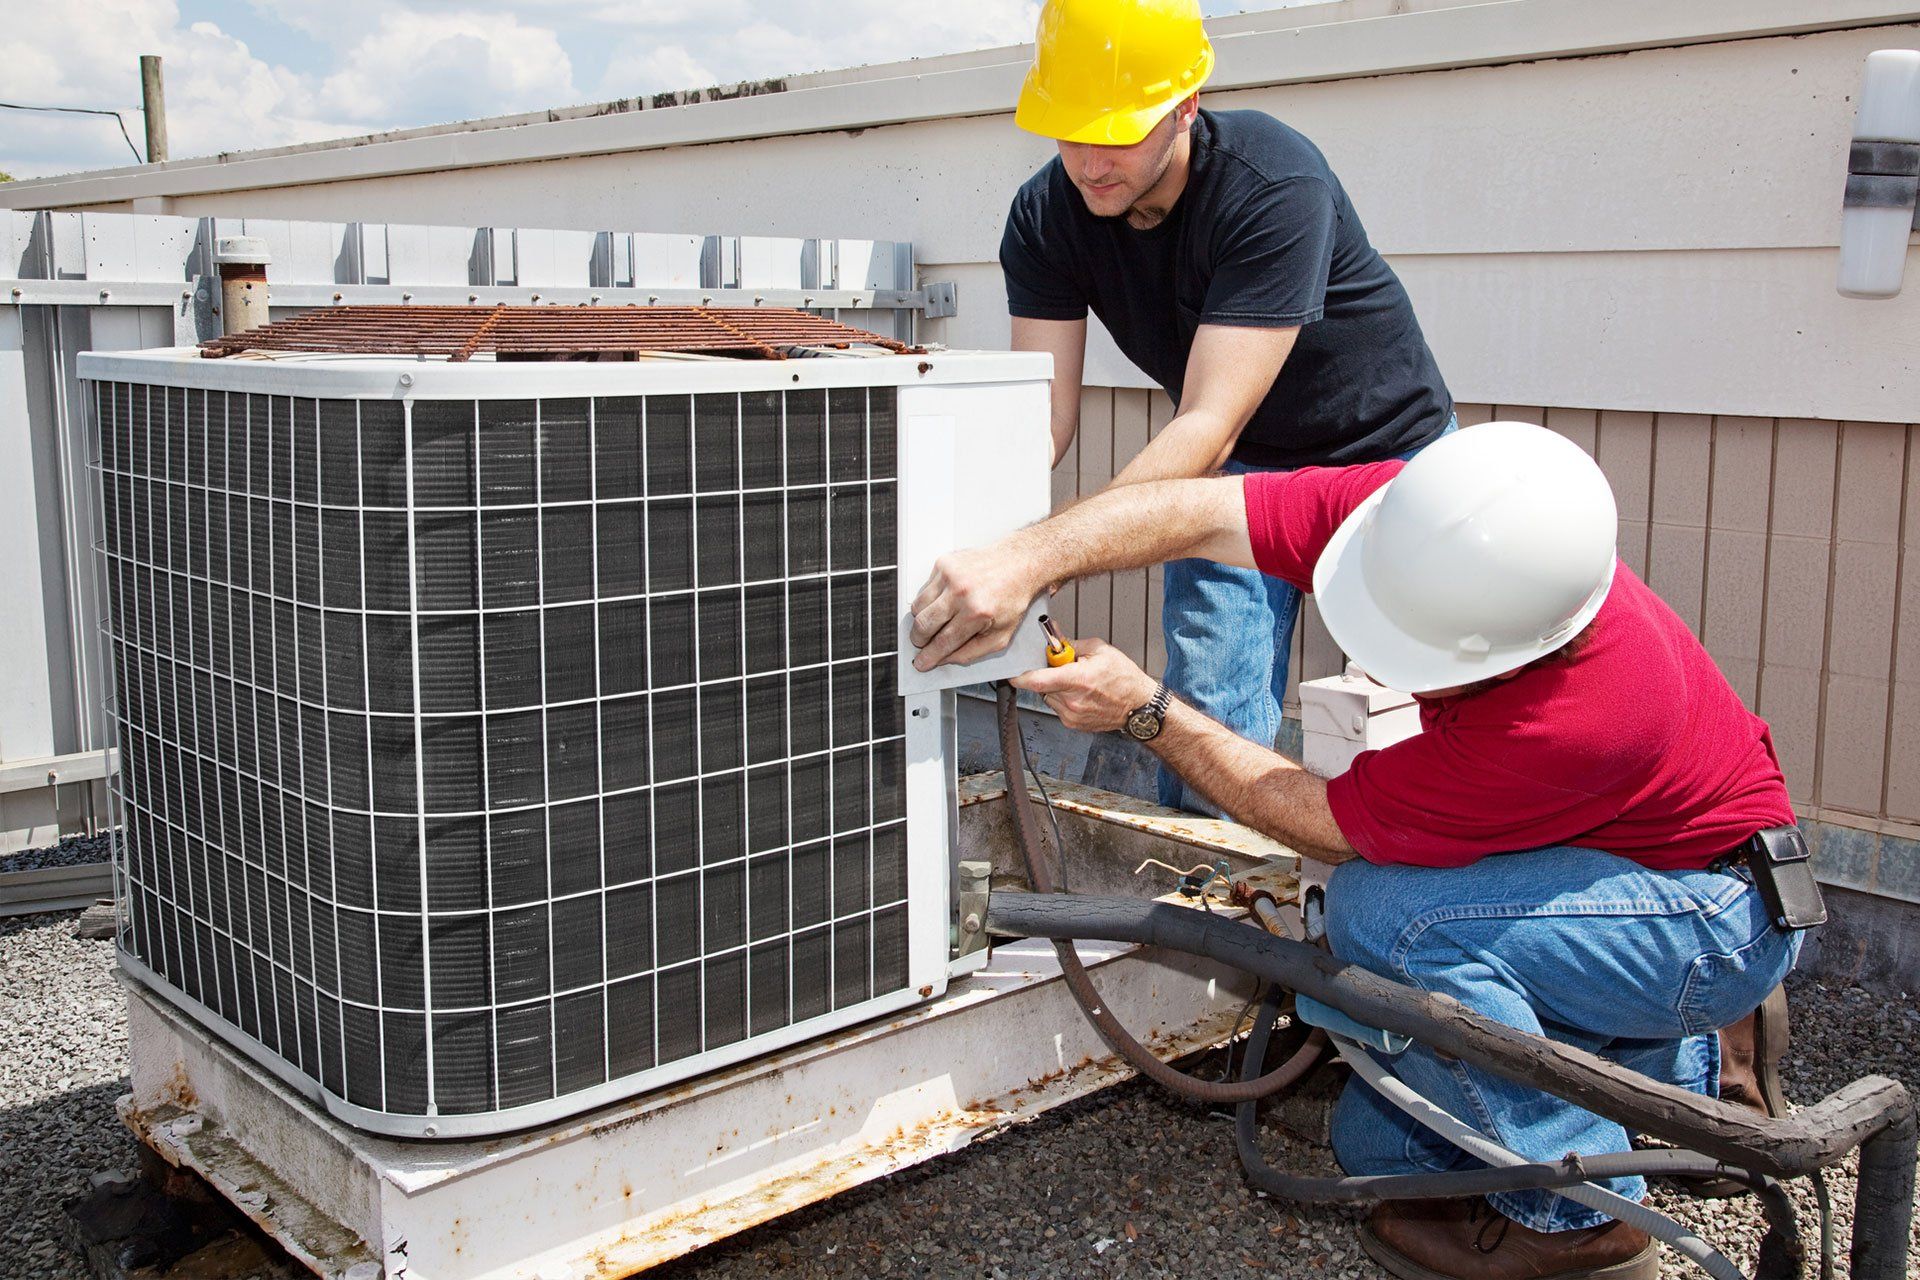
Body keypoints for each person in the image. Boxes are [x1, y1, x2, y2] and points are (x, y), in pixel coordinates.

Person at [907, 422, 1801, 1280]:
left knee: (1389, 922)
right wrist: (1030, 555)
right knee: (1370, 1146)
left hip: (1711, 913)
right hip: (1640, 862)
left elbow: (1320, 819)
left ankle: (1583, 1223)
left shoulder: (1573, 720)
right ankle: (1681, 1078)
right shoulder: (1422, 520)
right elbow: (1198, 509)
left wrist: (1147, 711)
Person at [1002, 0, 1455, 814]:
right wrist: (991, 534)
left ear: (1186, 106)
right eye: (1070, 130)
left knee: (1421, 710)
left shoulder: (1273, 182)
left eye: (1119, 131)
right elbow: (1047, 418)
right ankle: (1219, 912)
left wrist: (1049, 553)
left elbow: (1209, 423)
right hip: (1246, 467)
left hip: (1390, 458)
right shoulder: (1044, 218)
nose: (1090, 160)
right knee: (1205, 709)